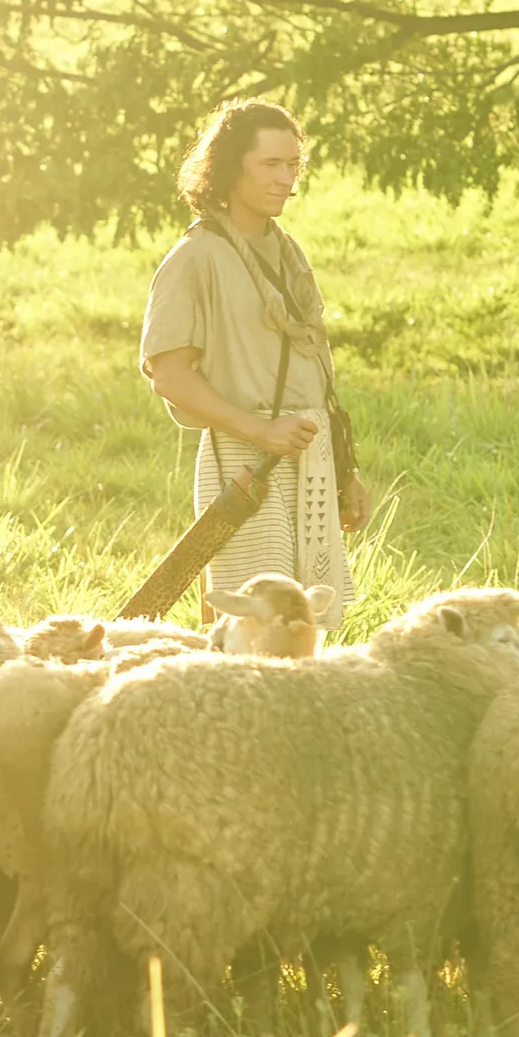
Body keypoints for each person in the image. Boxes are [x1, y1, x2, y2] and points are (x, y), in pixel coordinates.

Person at [139, 100, 367, 643]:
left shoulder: (288, 253)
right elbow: (168, 374)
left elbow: (315, 372)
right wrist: (259, 430)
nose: (285, 178)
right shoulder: (195, 257)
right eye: (270, 164)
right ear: (229, 166)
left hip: (309, 455)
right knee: (249, 629)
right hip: (246, 461)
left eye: (293, 165)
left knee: (303, 627)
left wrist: (344, 470)